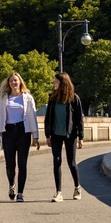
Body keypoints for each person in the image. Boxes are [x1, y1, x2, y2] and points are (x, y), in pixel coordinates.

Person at [0, 72, 40, 202]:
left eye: (16, 80)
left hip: (23, 130)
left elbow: (32, 117)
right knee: (10, 164)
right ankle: (12, 185)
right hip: (8, 131)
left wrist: (35, 136)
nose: (14, 83)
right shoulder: (4, 98)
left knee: (22, 163)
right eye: (12, 81)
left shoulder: (27, 98)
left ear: (20, 82)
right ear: (8, 83)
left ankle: (20, 193)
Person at [44, 72, 84, 202]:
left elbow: (79, 119)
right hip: (55, 134)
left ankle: (77, 187)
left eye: (55, 81)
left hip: (70, 135)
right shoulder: (52, 98)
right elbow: (48, 118)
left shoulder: (74, 98)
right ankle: (58, 192)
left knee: (71, 162)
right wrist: (47, 135)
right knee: (56, 161)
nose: (53, 83)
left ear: (62, 83)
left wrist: (81, 137)